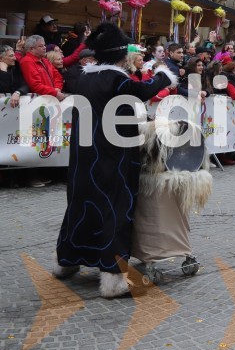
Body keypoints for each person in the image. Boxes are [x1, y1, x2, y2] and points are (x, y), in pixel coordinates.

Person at [53, 22, 178, 298]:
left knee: (81, 204)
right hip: (112, 156)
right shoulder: (116, 79)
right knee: (115, 208)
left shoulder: (84, 78)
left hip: (84, 156)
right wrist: (164, 75)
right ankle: (112, 278)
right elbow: (144, 92)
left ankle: (67, 260)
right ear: (121, 55)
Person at [18, 35, 66, 99]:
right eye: (41, 46)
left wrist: (57, 89)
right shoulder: (27, 61)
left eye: (44, 45)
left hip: (50, 98)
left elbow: (58, 77)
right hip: (38, 101)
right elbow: (35, 85)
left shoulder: (45, 61)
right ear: (31, 48)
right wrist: (55, 93)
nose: (44, 48)